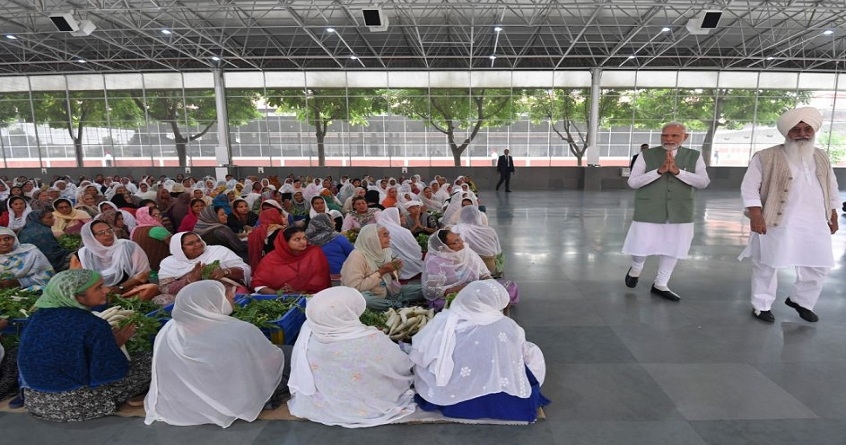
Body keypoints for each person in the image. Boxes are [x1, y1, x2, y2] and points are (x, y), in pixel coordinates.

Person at [740, 107, 839, 323]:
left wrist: (833, 213)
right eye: (796, 129)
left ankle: (801, 301)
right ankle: (761, 305)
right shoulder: (765, 157)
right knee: (767, 264)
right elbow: (749, 188)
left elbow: (831, 186)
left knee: (818, 264)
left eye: (807, 129)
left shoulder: (821, 156)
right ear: (787, 132)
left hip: (815, 221)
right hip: (776, 221)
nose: (803, 133)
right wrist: (756, 215)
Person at [144, 280, 287, 428]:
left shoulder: (168, 330)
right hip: (232, 399)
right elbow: (271, 362)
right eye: (225, 294)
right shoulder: (238, 331)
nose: (232, 296)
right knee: (285, 357)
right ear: (210, 303)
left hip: (185, 401)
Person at [17, 270, 151, 422]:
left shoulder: (36, 318)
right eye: (98, 288)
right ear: (78, 297)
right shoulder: (92, 324)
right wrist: (113, 346)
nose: (106, 290)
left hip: (36, 402)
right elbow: (110, 374)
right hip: (77, 405)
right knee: (150, 360)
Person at [409, 280, 549, 422]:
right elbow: (519, 353)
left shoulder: (443, 320)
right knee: (532, 351)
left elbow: (420, 354)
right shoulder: (508, 326)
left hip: (450, 398)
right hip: (499, 397)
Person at [287, 286, 416, 427]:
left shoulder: (310, 334)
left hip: (324, 402)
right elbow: (401, 365)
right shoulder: (371, 340)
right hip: (371, 403)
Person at [622, 122, 710, 301]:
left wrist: (678, 172)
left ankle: (661, 284)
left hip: (680, 209)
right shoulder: (646, 155)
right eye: (665, 135)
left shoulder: (694, 156)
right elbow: (633, 182)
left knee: (674, 246)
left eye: (674, 136)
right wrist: (659, 171)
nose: (668, 139)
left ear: (685, 137)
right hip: (649, 207)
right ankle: (637, 267)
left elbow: (703, 182)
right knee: (641, 243)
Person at [340, 225, 424, 310]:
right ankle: (393, 305)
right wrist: (381, 272)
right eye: (385, 235)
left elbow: (392, 280)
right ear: (373, 238)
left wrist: (394, 271)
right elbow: (355, 288)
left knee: (424, 290)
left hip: (390, 293)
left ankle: (391, 304)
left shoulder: (385, 252)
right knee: (364, 299)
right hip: (372, 296)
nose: (389, 237)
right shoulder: (357, 257)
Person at [71, 220, 158, 301]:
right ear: (90, 237)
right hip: (101, 297)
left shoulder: (128, 247)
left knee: (151, 288)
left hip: (130, 291)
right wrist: (103, 292)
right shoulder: (81, 256)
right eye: (101, 233)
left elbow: (143, 274)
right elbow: (78, 284)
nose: (108, 234)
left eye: (109, 230)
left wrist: (120, 288)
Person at [158, 232, 251, 302]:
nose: (198, 244)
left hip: (224, 290)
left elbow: (245, 270)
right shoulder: (169, 263)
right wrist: (190, 280)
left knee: (238, 298)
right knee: (161, 300)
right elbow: (165, 288)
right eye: (191, 243)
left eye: (199, 240)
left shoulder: (218, 251)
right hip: (190, 295)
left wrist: (225, 272)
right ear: (179, 249)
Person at [422, 229, 492, 309]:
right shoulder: (434, 262)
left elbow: (483, 272)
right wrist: (460, 289)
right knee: (461, 305)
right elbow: (433, 290)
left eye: (459, 238)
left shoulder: (466, 252)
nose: (461, 242)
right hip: (451, 295)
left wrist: (489, 282)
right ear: (443, 247)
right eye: (456, 242)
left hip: (474, 289)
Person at [252, 226, 331, 294]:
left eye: (304, 238)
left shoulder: (314, 253)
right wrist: (278, 293)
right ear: (285, 242)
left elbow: (320, 283)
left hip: (312, 298)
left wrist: (296, 293)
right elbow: (258, 285)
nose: (303, 242)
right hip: (278, 299)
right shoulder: (271, 259)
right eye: (297, 239)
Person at [452, 206, 504, 277]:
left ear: (461, 217)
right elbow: (498, 251)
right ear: (478, 217)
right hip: (489, 267)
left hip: (467, 268)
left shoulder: (457, 229)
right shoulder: (490, 230)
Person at [377, 207, 425, 280]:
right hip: (408, 266)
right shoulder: (403, 232)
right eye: (401, 216)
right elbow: (417, 251)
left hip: (387, 268)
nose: (404, 217)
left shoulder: (376, 231)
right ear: (395, 217)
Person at [130, 206, 172, 272]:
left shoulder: (135, 229)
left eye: (159, 214)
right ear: (146, 216)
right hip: (160, 265)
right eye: (155, 215)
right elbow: (174, 245)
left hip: (143, 266)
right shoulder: (157, 230)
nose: (160, 217)